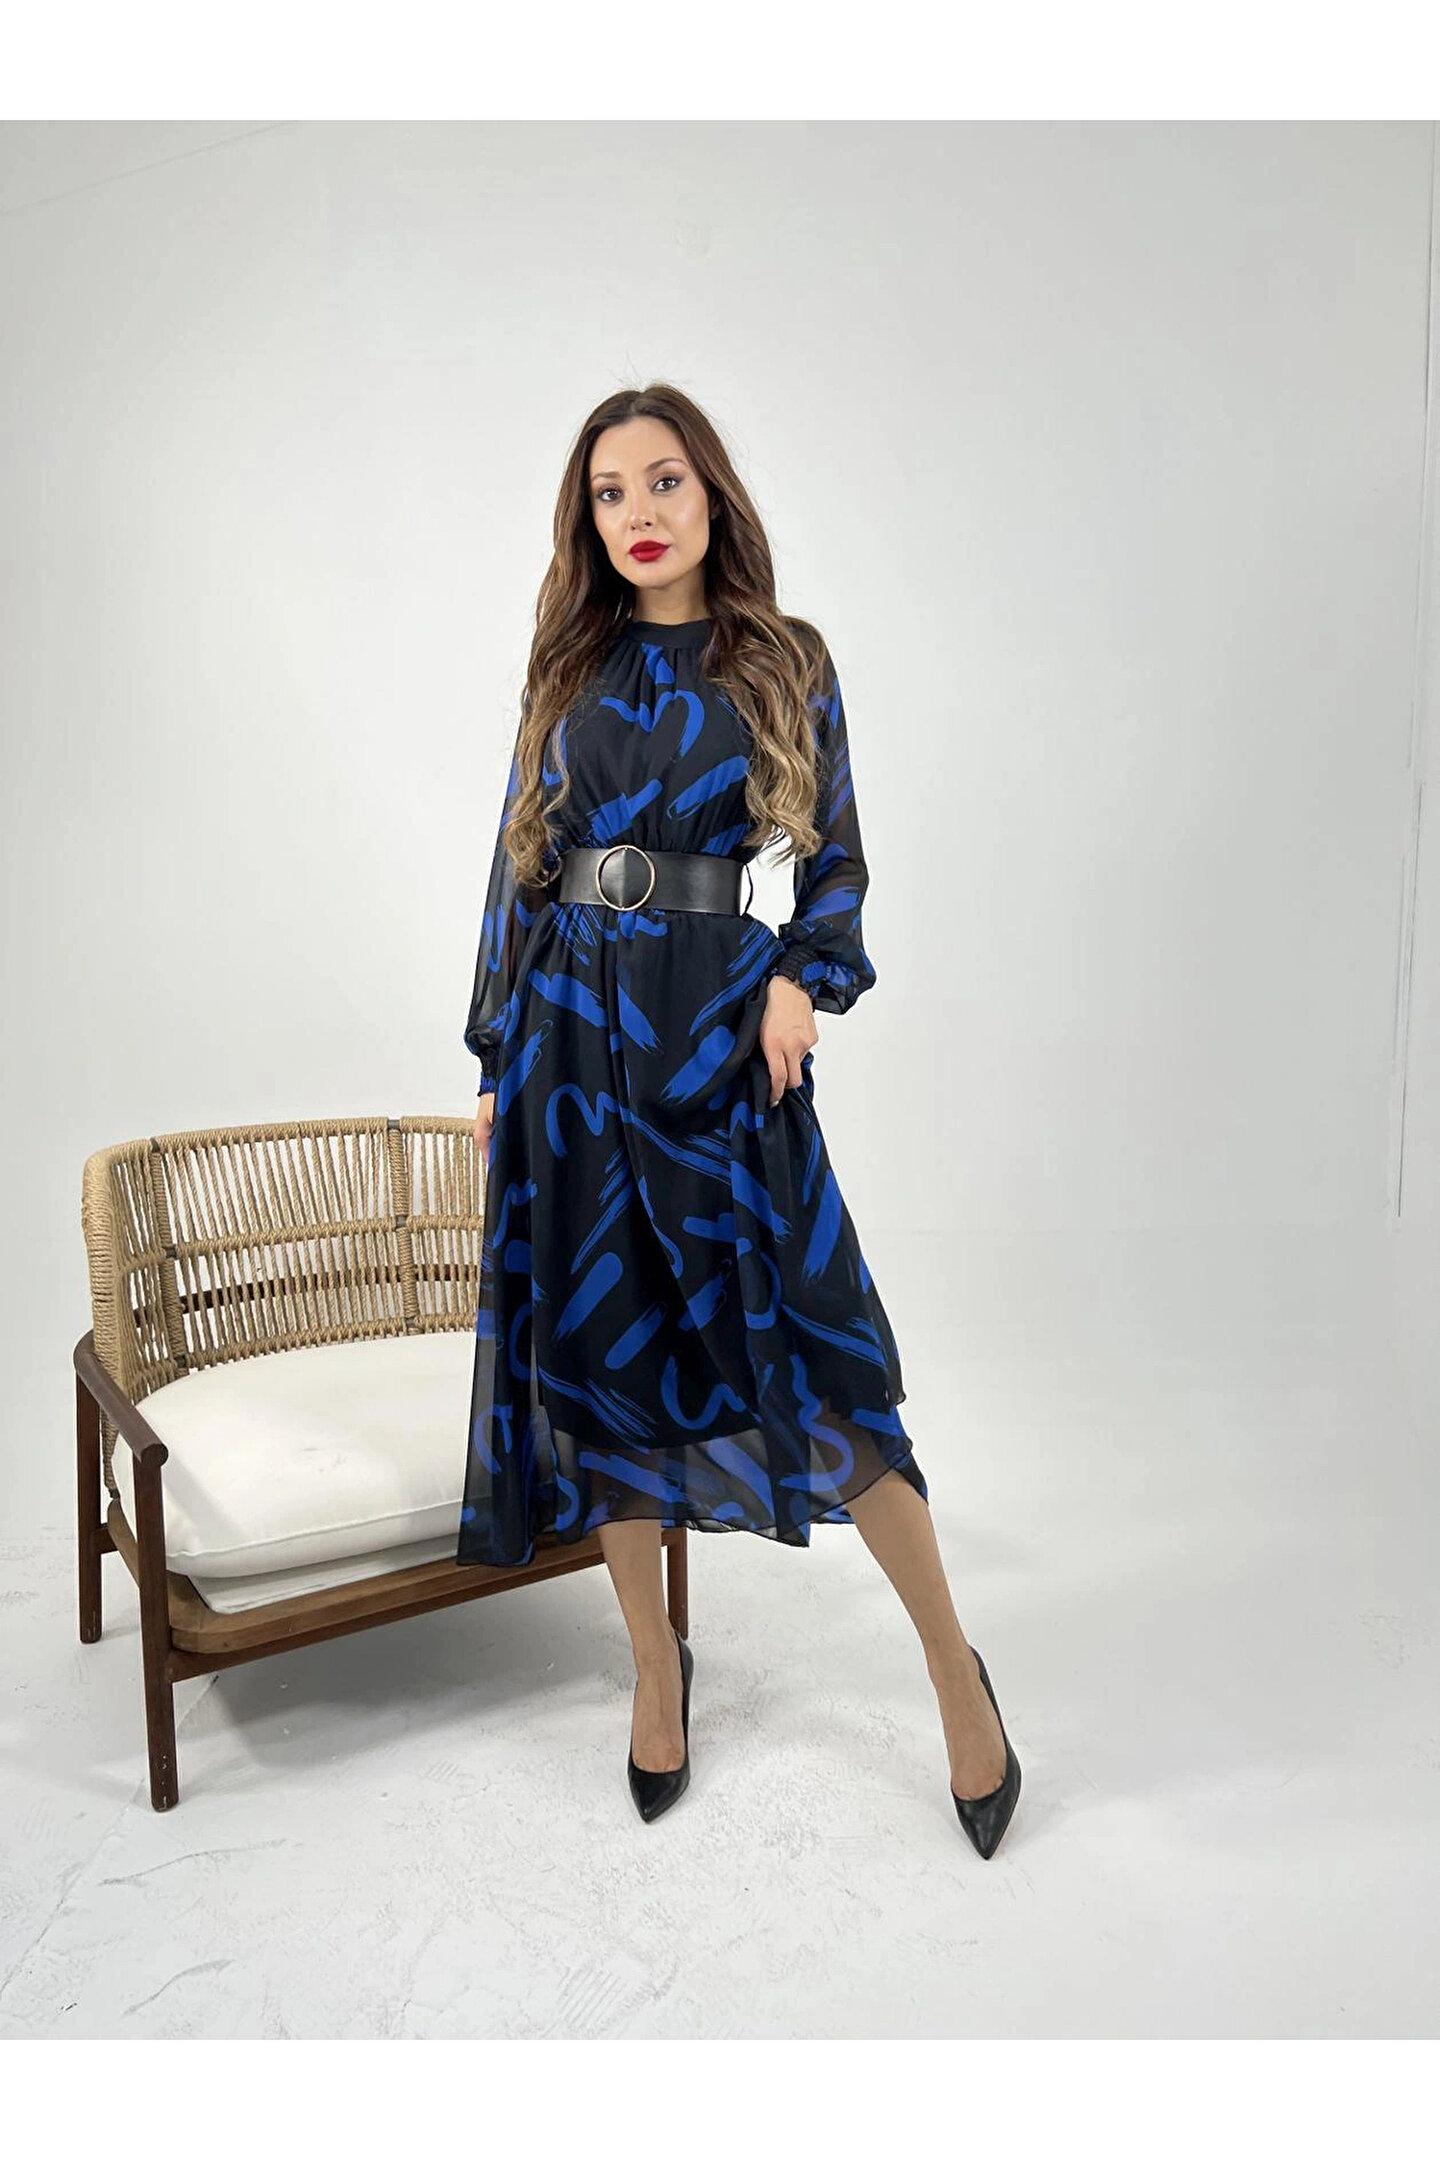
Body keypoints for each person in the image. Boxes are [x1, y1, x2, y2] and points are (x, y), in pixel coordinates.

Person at [459, 383, 1020, 1855]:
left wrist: (799, 981)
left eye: (664, 481)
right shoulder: (567, 667)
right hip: (572, 1044)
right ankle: (656, 1668)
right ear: (586, 522)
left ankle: (952, 1671)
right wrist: (496, 1056)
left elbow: (830, 851)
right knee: (606, 1360)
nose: (639, 514)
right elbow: (518, 867)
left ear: (711, 492)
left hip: (719, 1032)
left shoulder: (783, 657)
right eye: (609, 494)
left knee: (826, 1357)